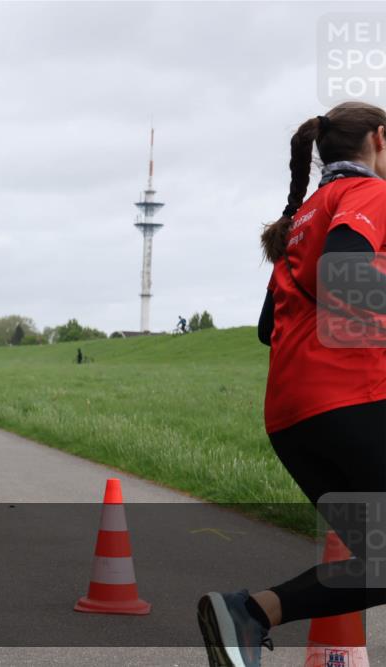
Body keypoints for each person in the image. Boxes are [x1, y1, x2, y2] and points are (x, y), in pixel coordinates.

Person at [197, 101, 386, 667]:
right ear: (379, 139)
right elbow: (345, 272)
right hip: (352, 400)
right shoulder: (367, 193)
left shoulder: (301, 218)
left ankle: (250, 614)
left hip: (294, 418)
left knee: (377, 564)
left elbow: (267, 328)